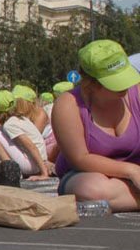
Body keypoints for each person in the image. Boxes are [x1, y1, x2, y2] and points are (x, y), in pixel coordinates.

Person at [53, 40, 140, 212]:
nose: (124, 85)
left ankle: (124, 200)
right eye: (115, 81)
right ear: (91, 83)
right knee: (92, 190)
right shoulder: (68, 104)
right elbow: (80, 159)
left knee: (104, 193)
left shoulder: (136, 94)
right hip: (86, 174)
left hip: (132, 179)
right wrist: (131, 170)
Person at [3, 85, 52, 180]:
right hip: (37, 158)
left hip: (37, 159)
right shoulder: (22, 118)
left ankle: (10, 171)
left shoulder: (40, 114)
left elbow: (31, 144)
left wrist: (43, 172)